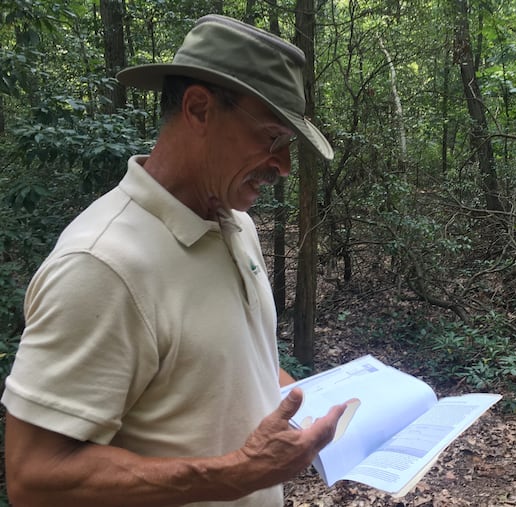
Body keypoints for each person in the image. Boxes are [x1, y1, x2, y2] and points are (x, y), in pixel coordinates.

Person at [2, 14, 347, 507]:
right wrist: (234, 475)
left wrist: (337, 409)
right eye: (272, 137)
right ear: (199, 109)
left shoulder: (235, 223)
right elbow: (35, 476)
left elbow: (237, 368)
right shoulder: (101, 264)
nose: (284, 166)